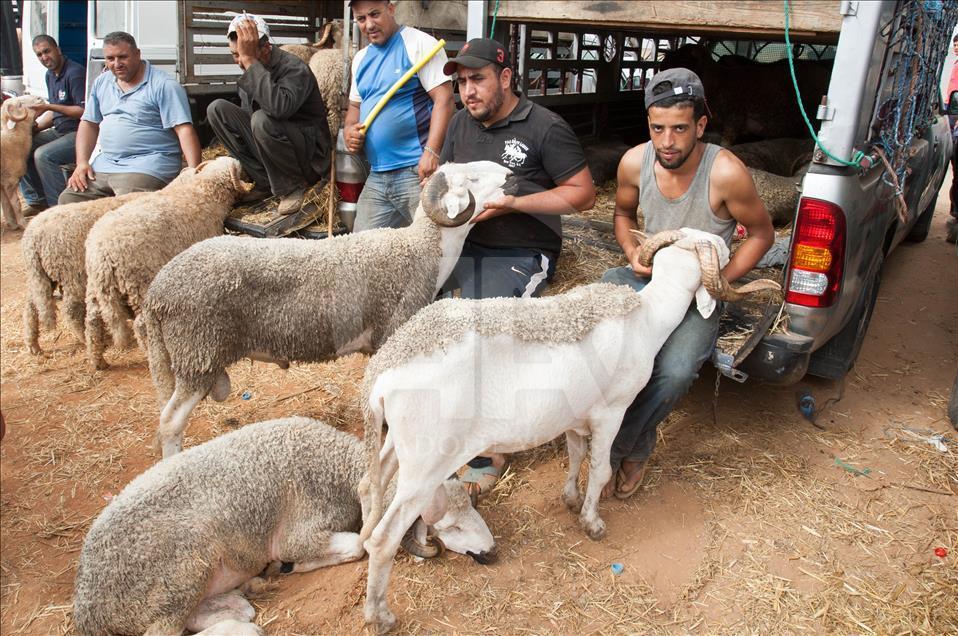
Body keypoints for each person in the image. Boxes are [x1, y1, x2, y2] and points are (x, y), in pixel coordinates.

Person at [599, 68, 773, 499]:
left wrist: (718, 281)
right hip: (651, 276)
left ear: (700, 125)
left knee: (674, 371)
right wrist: (631, 254)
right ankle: (587, 423)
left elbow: (762, 233)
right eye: (658, 129)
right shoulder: (635, 162)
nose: (667, 142)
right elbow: (622, 215)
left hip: (700, 293)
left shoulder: (725, 172)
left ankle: (626, 446)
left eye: (679, 129)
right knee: (599, 318)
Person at [439, 38, 596, 499]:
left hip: (521, 248)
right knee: (428, 320)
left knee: (483, 329)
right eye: (461, 82)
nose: (468, 91)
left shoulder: (545, 127)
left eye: (478, 79)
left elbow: (583, 194)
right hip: (466, 243)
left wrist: (515, 205)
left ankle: (490, 450)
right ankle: (439, 423)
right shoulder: (460, 125)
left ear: (506, 78)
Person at [345, 0, 454, 231]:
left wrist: (432, 152)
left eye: (375, 14)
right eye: (361, 19)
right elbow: (354, 108)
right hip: (377, 173)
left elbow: (444, 100)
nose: (369, 24)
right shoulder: (360, 59)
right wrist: (349, 130)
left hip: (416, 172)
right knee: (361, 252)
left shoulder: (420, 44)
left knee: (434, 245)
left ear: (391, 9)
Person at [207, 13, 331, 216]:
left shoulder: (294, 68)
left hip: (309, 158)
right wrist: (251, 63)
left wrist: (250, 63)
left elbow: (279, 108)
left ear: (266, 47)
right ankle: (265, 181)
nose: (240, 62)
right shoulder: (252, 67)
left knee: (262, 120)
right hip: (276, 149)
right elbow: (249, 121)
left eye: (245, 54)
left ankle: (292, 187)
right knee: (217, 109)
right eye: (236, 55)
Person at [60, 32, 200, 204]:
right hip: (105, 163)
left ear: (137, 54)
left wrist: (194, 174)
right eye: (110, 58)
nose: (116, 64)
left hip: (147, 165)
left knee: (127, 209)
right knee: (68, 200)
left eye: (122, 57)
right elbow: (88, 123)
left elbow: (184, 129)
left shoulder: (163, 85)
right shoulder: (102, 82)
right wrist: (82, 162)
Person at [19, 35, 85, 212]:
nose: (44, 57)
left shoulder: (74, 72)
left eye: (47, 51)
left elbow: (83, 111)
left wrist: (48, 106)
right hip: (60, 130)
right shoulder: (50, 75)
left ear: (58, 49)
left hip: (80, 133)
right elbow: (56, 111)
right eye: (39, 54)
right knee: (22, 145)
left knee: (44, 155)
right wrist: (35, 128)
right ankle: (37, 200)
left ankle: (58, 209)